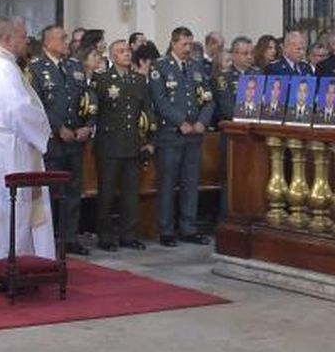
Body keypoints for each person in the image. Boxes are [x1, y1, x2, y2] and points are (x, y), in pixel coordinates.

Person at [0, 17, 54, 283]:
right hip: (5, 148)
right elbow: (17, 110)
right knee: (7, 207)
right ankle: (5, 266)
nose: (27, 41)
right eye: (23, 36)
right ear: (8, 38)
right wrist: (43, 127)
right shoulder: (1, 67)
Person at [29, 24, 92, 256]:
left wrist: (88, 125)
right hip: (52, 141)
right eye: (62, 38)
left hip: (76, 138)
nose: (67, 42)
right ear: (47, 43)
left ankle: (70, 237)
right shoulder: (36, 68)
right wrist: (57, 128)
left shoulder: (75, 66)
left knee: (73, 191)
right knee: (51, 192)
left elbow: (88, 98)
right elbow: (37, 104)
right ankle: (49, 238)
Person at [149, 27, 214, 247]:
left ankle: (188, 227)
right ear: (174, 43)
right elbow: (160, 101)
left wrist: (202, 121)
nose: (188, 49)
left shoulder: (196, 67)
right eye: (184, 44)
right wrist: (181, 121)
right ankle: (166, 230)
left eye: (190, 44)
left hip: (194, 135)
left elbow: (207, 98)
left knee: (190, 183)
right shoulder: (160, 67)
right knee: (167, 183)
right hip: (171, 134)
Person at [91, 40, 150, 251]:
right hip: (109, 143)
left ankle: (129, 235)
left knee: (130, 193)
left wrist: (149, 140)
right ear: (113, 56)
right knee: (106, 192)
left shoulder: (138, 79)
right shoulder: (102, 79)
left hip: (132, 141)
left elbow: (147, 110)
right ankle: (105, 237)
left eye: (128, 51)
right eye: (121, 51)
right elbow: (94, 110)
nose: (126, 54)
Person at [213, 36, 255, 125]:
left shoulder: (258, 74)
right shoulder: (224, 77)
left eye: (251, 53)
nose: (249, 57)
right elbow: (226, 108)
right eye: (245, 53)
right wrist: (247, 118)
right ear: (233, 55)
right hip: (234, 127)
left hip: (255, 126)